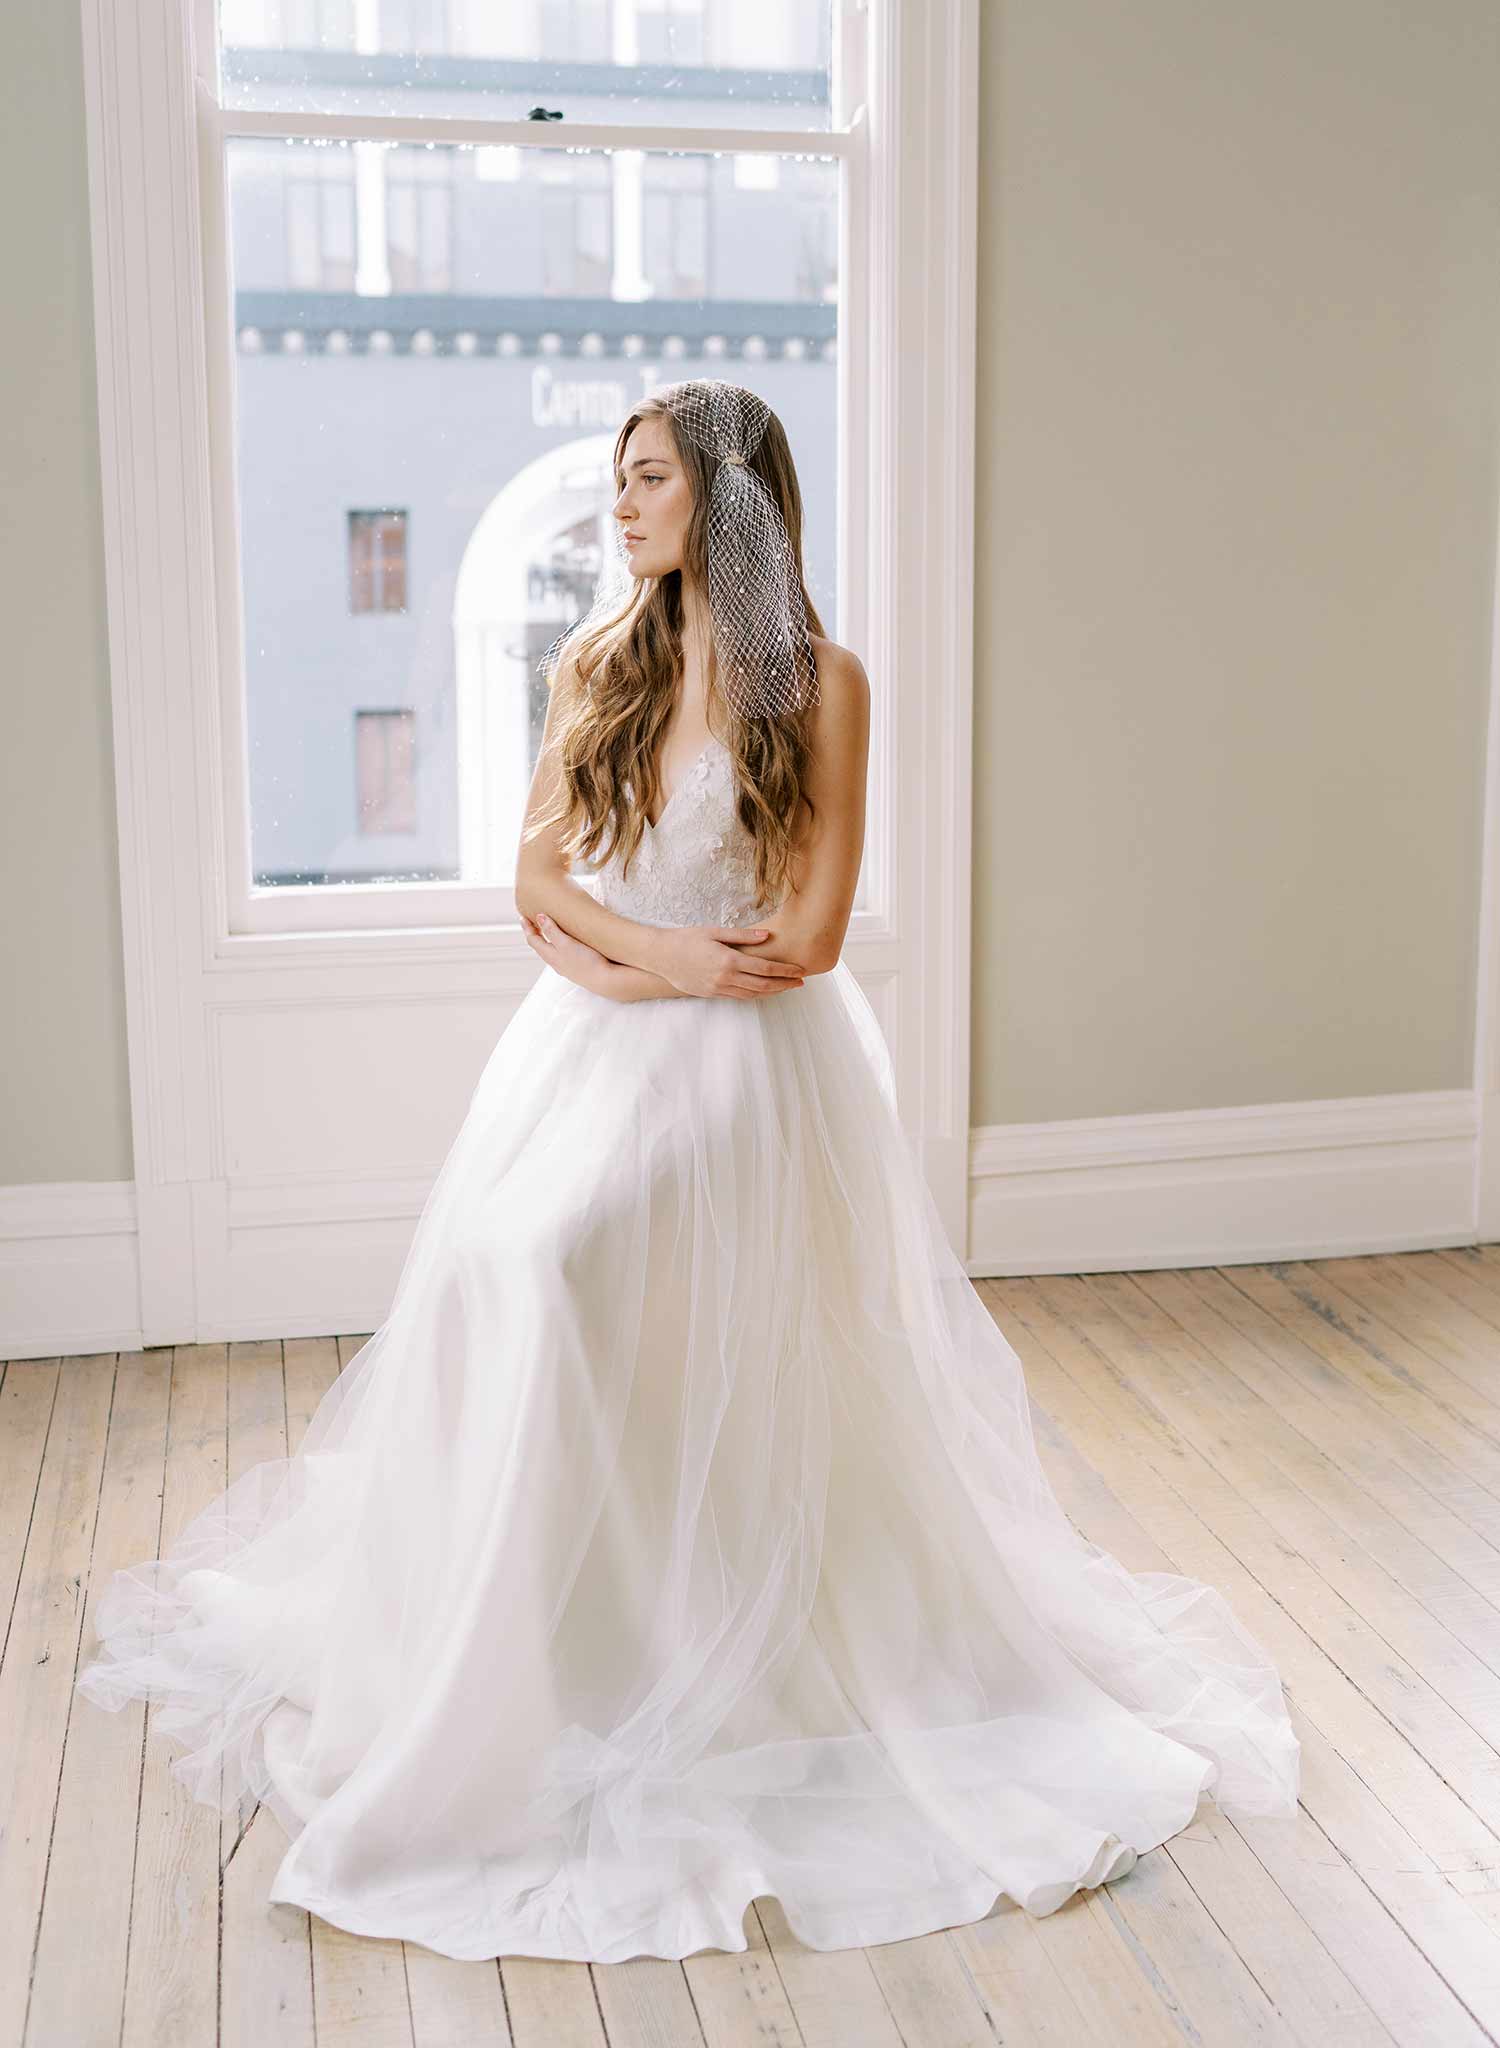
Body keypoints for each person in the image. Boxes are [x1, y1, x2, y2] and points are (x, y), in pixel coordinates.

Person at [74, 378, 1299, 1965]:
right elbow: (534, 880)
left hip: (746, 1077)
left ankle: (692, 1640)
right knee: (504, 1268)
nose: (623, 504)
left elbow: (805, 940)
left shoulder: (825, 688)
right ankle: (542, 1647)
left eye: (648, 478)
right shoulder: (600, 662)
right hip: (593, 1046)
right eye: (615, 478)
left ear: (730, 498)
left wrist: (638, 964)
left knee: (579, 1275)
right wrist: (642, 961)